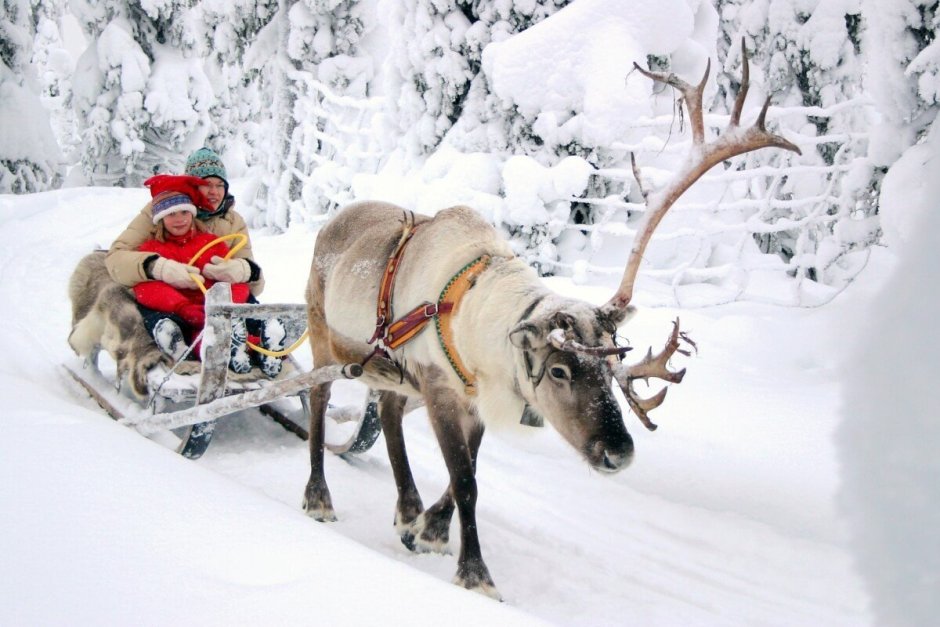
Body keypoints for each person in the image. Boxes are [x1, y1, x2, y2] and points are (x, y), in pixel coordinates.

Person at [106, 147, 283, 377]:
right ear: (191, 186)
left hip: (215, 295)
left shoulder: (232, 222)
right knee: (159, 313)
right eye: (206, 184)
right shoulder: (162, 207)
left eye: (220, 185)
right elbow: (116, 258)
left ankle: (264, 338)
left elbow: (253, 286)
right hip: (173, 297)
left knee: (240, 304)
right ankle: (200, 346)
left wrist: (243, 270)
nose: (213, 192)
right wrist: (158, 267)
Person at [132, 175, 254, 373]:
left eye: (184, 212)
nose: (179, 219)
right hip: (178, 312)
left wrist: (222, 302)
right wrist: (182, 306)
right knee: (178, 326)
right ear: (161, 219)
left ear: (192, 214)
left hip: (212, 309)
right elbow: (145, 288)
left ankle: (250, 345)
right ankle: (181, 343)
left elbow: (235, 281)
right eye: (171, 214)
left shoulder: (210, 242)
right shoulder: (151, 249)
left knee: (222, 320)